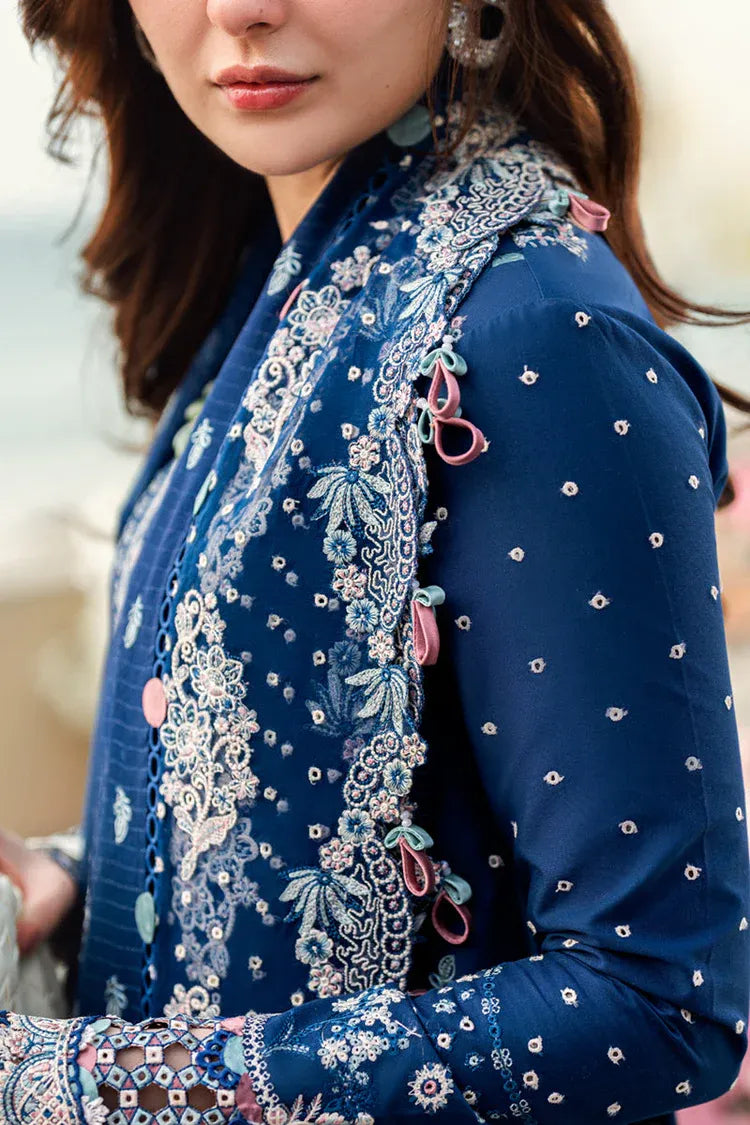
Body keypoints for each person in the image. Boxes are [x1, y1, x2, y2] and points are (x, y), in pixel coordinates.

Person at [1, 0, 748, 1122]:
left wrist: (66, 1083)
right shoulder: (290, 269)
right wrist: (87, 880)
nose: (239, 10)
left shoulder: (534, 333)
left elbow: (657, 1000)